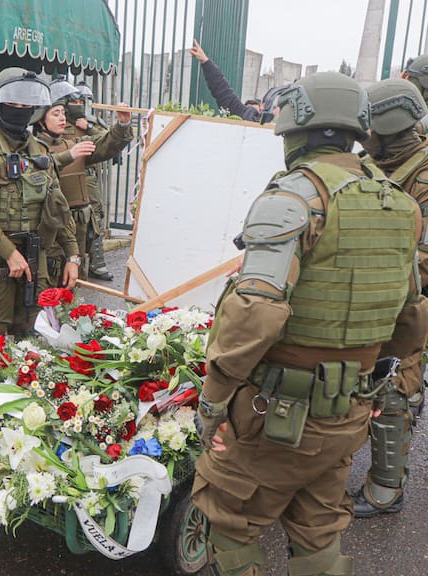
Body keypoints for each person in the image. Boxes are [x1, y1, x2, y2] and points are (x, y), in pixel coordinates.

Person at [192, 72, 426, 576]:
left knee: (228, 518)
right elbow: (410, 320)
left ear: (294, 127)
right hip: (347, 411)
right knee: (318, 527)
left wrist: (213, 398)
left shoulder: (293, 198)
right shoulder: (399, 204)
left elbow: (254, 311)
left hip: (274, 411)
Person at [0, 67, 80, 337]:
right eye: (13, 103)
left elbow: (58, 207)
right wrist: (9, 252)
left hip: (38, 263)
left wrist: (73, 255)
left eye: (26, 104)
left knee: (38, 345)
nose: (20, 109)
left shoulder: (41, 153)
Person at [351, 78, 428, 518]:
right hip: (368, 295)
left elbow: (424, 257)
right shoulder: (369, 164)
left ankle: (385, 490)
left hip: (407, 301)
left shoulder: (423, 173)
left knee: (395, 385)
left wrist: (367, 271)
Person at [35, 77, 133, 282]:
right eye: (55, 113)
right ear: (40, 120)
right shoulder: (34, 148)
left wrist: (122, 124)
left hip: (79, 227)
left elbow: (105, 143)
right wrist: (69, 155)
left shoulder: (74, 143)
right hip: (53, 230)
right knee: (50, 285)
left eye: (63, 113)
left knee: (75, 281)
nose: (63, 118)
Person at [64, 80, 118, 281]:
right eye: (75, 100)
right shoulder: (58, 121)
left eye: (82, 100)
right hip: (66, 176)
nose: (78, 104)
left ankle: (97, 265)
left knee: (94, 218)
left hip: (88, 177)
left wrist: (88, 128)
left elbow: (108, 141)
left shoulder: (90, 123)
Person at [189, 38, 282, 123]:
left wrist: (205, 61)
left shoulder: (283, 127)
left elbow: (223, 92)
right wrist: (205, 61)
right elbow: (222, 91)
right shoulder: (246, 114)